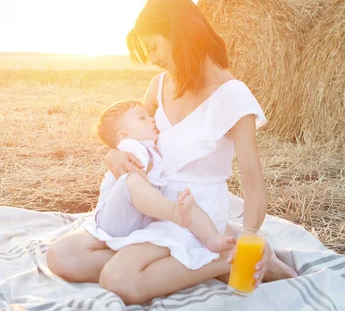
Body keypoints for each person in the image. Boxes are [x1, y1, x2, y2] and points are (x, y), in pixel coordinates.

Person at [46, 0, 297, 305]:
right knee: (62, 256)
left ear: (178, 34)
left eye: (153, 46)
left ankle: (230, 256)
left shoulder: (232, 96)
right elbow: (136, 138)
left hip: (197, 213)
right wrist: (114, 152)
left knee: (119, 278)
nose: (152, 59)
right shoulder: (159, 86)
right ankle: (194, 263)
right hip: (152, 205)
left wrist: (249, 235)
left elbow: (254, 186)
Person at [85, 98, 236, 255]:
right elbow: (136, 174)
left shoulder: (150, 148)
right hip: (112, 219)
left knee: (183, 199)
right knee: (132, 180)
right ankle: (175, 213)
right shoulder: (130, 147)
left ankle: (212, 238)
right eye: (142, 118)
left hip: (138, 221)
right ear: (124, 135)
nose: (152, 120)